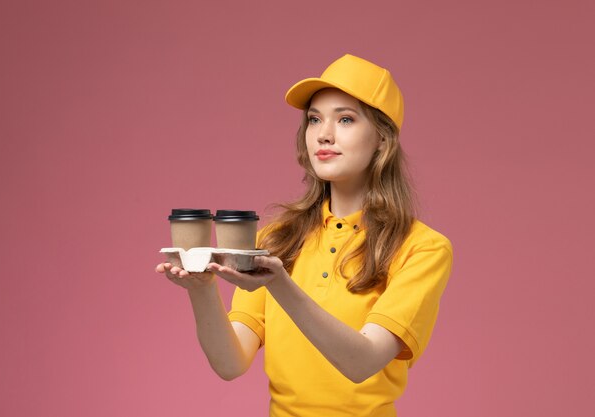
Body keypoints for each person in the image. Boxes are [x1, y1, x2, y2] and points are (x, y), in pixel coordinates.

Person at [156, 54, 453, 417]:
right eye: (314, 119)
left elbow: (362, 362)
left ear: (382, 138)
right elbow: (230, 363)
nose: (324, 134)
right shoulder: (276, 239)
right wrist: (202, 290)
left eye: (345, 119)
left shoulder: (422, 248)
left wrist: (279, 282)